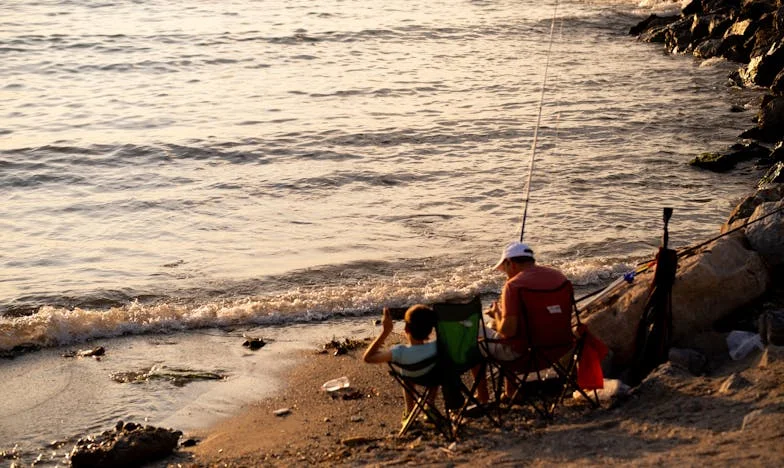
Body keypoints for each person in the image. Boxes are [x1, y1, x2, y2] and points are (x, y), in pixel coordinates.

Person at [475, 241, 572, 403]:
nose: (505, 274)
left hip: (526, 355)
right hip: (559, 348)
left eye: (505, 269)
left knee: (476, 332)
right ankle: (510, 392)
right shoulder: (559, 278)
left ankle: (483, 396)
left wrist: (496, 314)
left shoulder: (514, 286)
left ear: (510, 263)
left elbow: (508, 331)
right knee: (500, 330)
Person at [363, 304, 439, 421]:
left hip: (411, 377)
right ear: (430, 330)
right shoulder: (438, 347)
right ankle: (430, 405)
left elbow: (368, 358)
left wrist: (385, 332)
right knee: (437, 370)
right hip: (432, 377)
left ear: (406, 329)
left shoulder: (400, 352)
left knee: (407, 377)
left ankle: (409, 411)